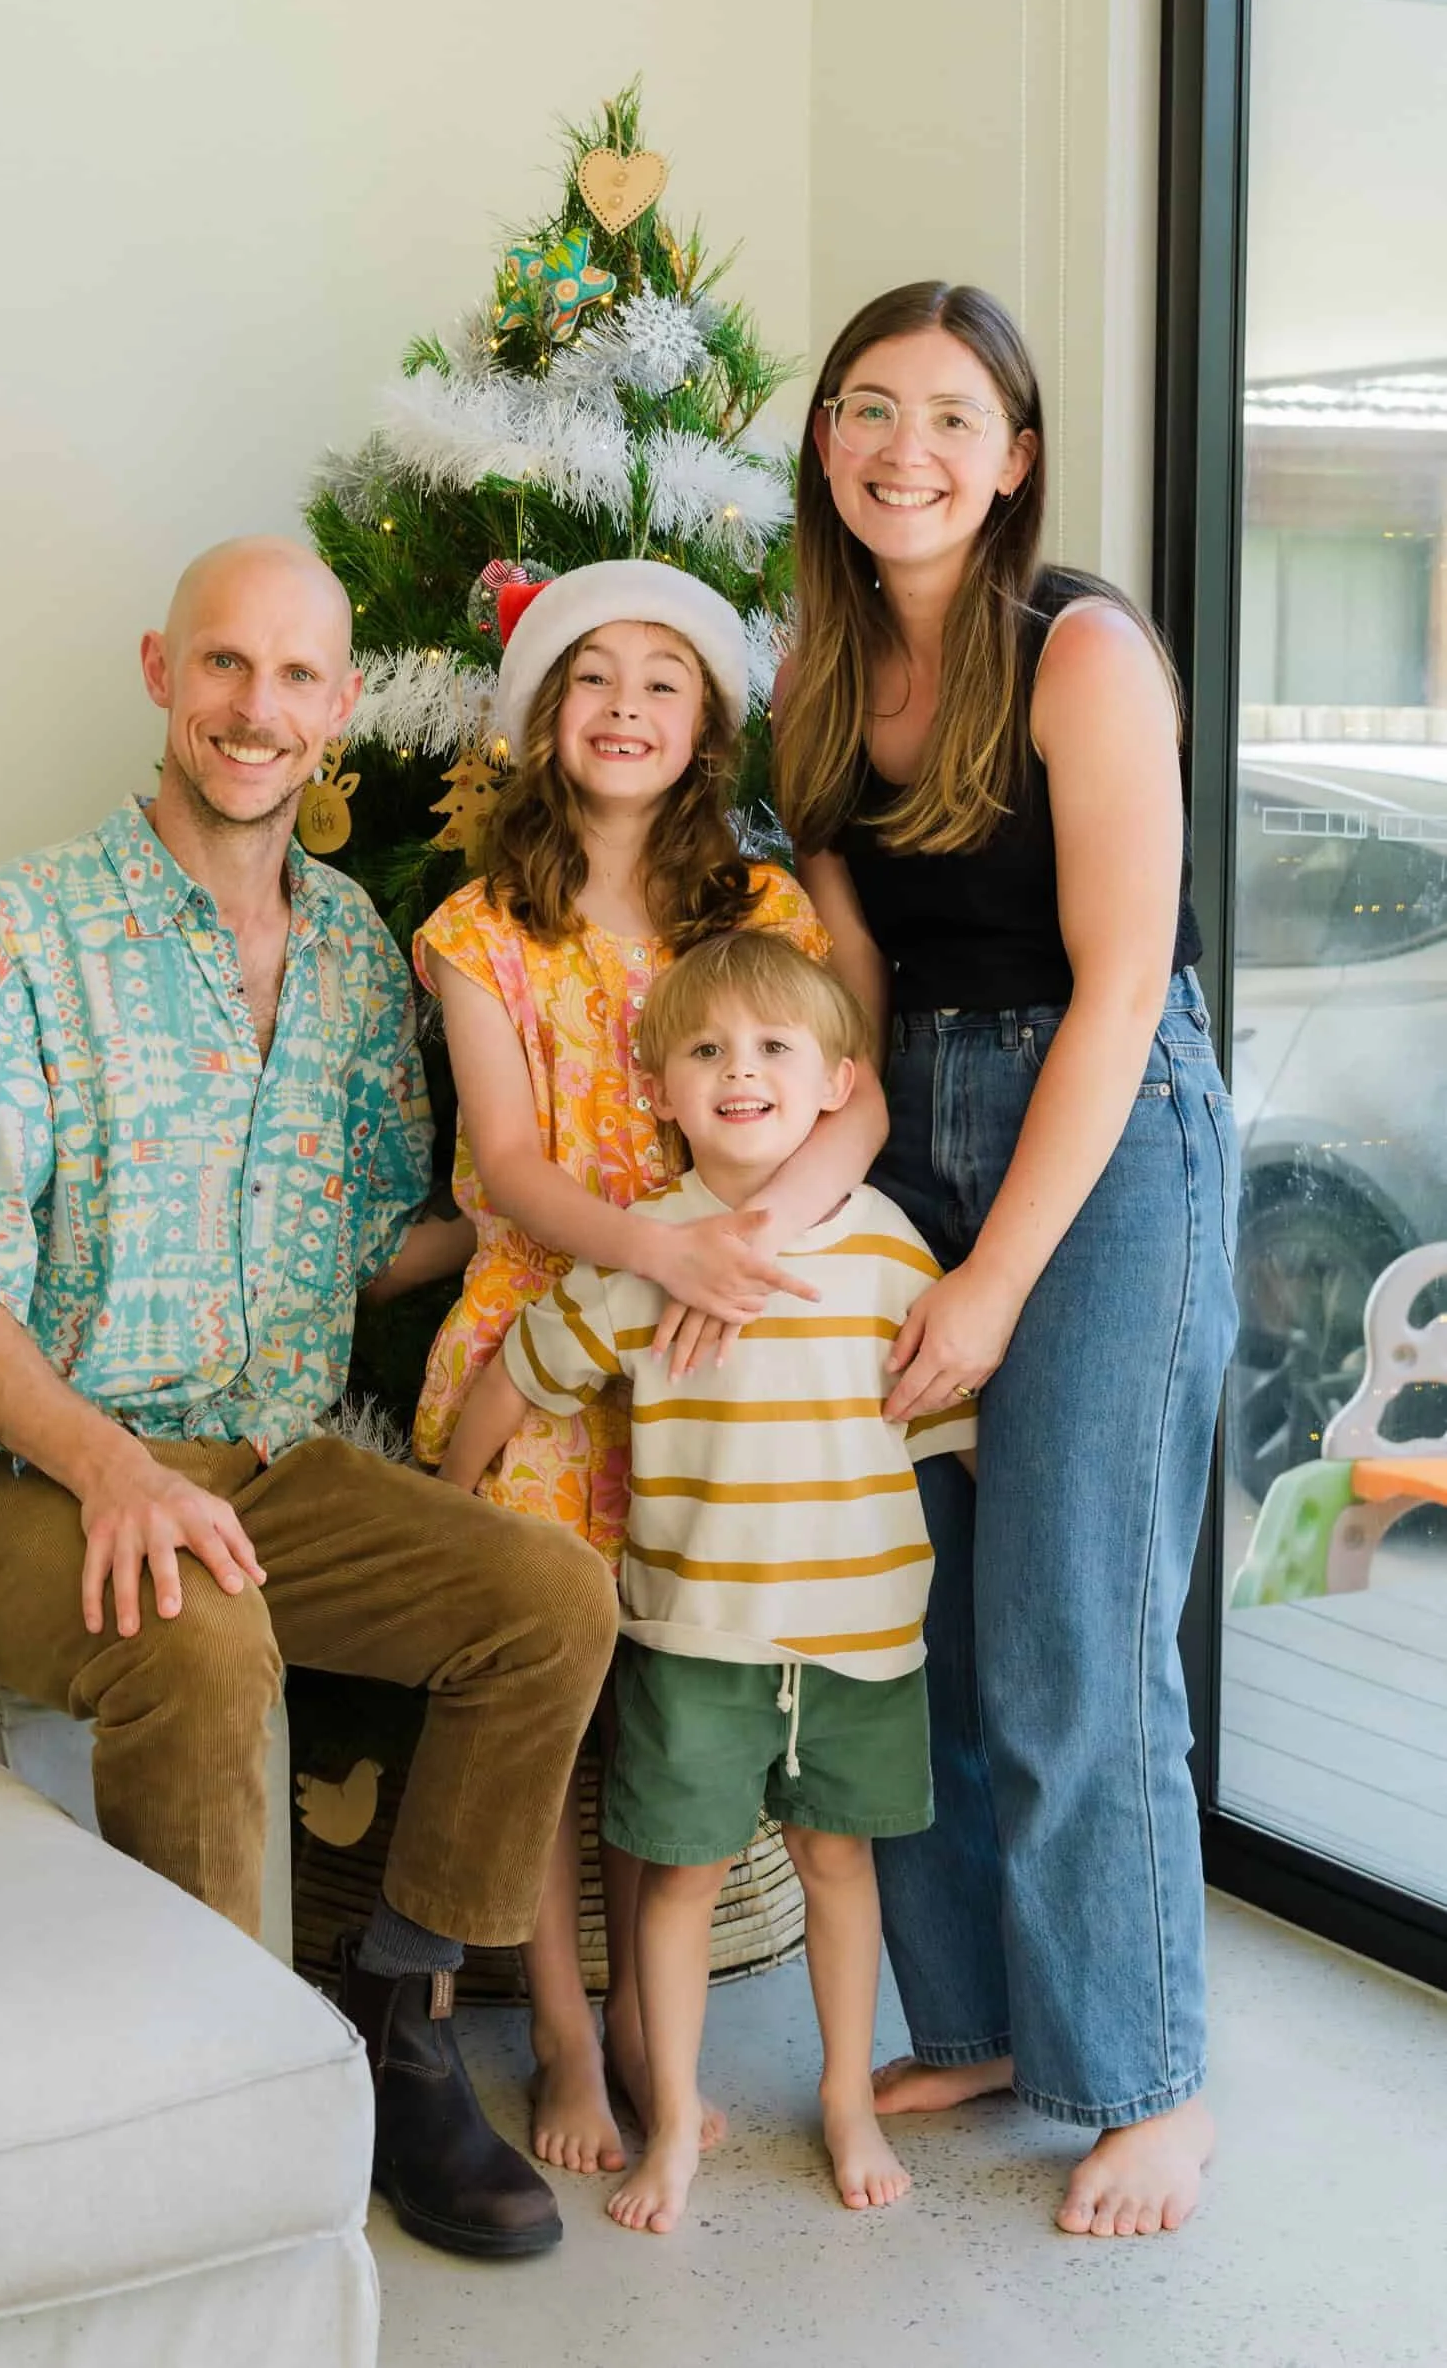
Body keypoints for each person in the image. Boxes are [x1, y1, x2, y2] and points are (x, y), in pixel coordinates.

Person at [0, 536, 619, 2263]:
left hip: (262, 1463)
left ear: (341, 708)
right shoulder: (13, 932)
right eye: (222, 667)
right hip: (1, 1475)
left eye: (295, 678)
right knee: (194, 1634)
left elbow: (380, 1236)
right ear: (160, 673)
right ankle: (221, 2130)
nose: (257, 710)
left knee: (548, 1598)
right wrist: (110, 1470)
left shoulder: (351, 954)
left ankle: (402, 2033)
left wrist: (563, 1213)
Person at [773, 282, 1240, 2240]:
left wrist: (990, 1280)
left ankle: (1148, 2076)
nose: (908, 450)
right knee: (925, 1621)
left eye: (953, 416)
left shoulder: (1081, 649)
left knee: (1070, 1625)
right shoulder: (809, 682)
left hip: (1105, 1137)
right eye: (871, 410)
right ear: (827, 443)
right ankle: (980, 2018)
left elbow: (1124, 980)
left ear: (1018, 451)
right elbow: (860, 1001)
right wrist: (833, 1218)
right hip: (925, 1129)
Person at [413, 560, 889, 2176]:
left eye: (663, 682)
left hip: (720, 1330)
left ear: (707, 728)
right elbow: (508, 1158)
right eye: (592, 678)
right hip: (553, 1327)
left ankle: (641, 2017)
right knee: (543, 1693)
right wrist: (656, 1248)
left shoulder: (759, 911)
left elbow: (858, 1100)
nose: (626, 706)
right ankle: (561, 2025)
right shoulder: (482, 930)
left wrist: (749, 1245)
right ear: (547, 719)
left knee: (675, 1691)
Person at [441, 930, 976, 2231]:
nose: (741, 1072)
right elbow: (521, 1370)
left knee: (838, 1867)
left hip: (858, 1644)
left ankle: (846, 2094)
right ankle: (675, 2120)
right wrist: (450, 1505)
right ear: (665, 1091)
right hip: (696, 1641)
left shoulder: (891, 1252)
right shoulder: (650, 1256)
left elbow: (946, 1430)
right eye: (707, 1052)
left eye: (775, 1049)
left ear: (838, 1083)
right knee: (678, 1880)